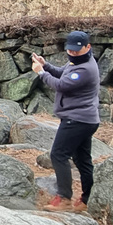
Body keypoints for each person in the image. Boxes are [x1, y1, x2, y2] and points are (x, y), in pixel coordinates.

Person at [31, 30, 101, 213]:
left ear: (88, 47)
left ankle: (64, 199)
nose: (73, 54)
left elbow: (61, 85)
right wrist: (45, 65)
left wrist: (40, 73)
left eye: (77, 51)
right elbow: (63, 73)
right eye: (70, 51)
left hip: (77, 120)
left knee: (58, 155)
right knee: (82, 159)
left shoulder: (86, 69)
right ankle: (87, 199)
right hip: (85, 119)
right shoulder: (78, 61)